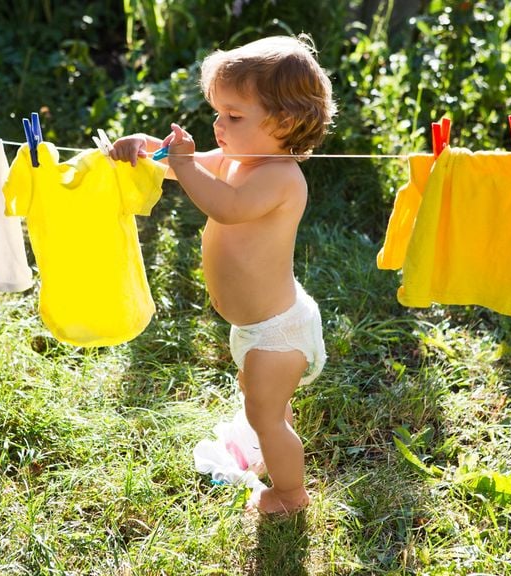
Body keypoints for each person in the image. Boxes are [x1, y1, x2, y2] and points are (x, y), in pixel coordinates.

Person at [110, 34, 335, 515]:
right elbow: (174, 167)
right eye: (218, 112)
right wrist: (145, 147)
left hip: (280, 331)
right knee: (262, 402)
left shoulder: (280, 177)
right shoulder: (238, 158)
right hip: (253, 326)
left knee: (264, 415)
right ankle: (269, 447)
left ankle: (291, 495)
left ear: (286, 122)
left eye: (234, 116)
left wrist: (187, 163)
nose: (218, 125)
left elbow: (226, 206)